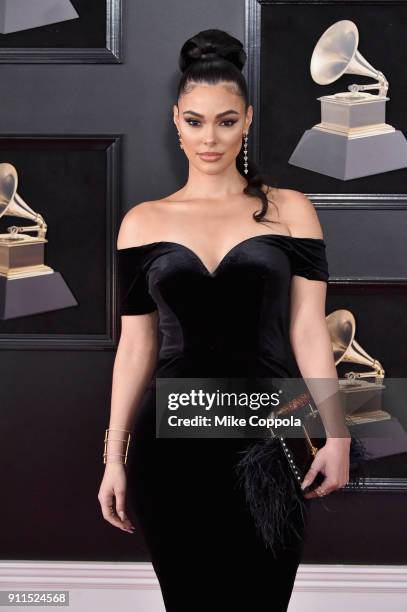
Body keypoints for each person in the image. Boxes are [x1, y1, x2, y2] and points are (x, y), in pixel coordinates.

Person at [98, 28, 351, 611]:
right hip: (172, 451)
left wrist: (335, 433)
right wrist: (115, 459)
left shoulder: (291, 210)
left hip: (269, 438)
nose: (209, 138)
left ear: (248, 120)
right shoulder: (142, 221)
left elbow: (308, 331)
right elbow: (135, 347)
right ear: (176, 120)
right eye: (195, 121)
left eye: (225, 120)